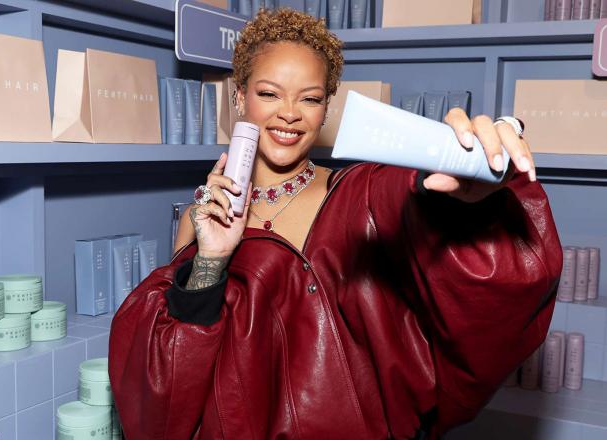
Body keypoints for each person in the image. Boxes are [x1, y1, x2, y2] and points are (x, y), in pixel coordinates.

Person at [109, 8, 562, 440]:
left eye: (310, 98)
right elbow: (175, 380)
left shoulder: (361, 194)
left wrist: (473, 188)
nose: (290, 113)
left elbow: (435, 229)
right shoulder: (200, 217)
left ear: (326, 108)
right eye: (269, 94)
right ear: (239, 95)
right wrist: (213, 257)